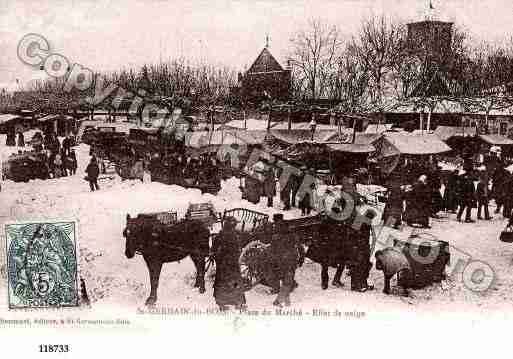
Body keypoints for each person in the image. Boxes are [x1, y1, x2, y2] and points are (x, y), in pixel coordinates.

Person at [212, 216, 246, 311]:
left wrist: (218, 258)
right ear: (233, 226)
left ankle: (222, 302)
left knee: (221, 282)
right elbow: (238, 250)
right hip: (232, 264)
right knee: (235, 282)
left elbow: (214, 249)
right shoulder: (235, 236)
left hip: (222, 264)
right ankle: (238, 302)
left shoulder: (220, 235)